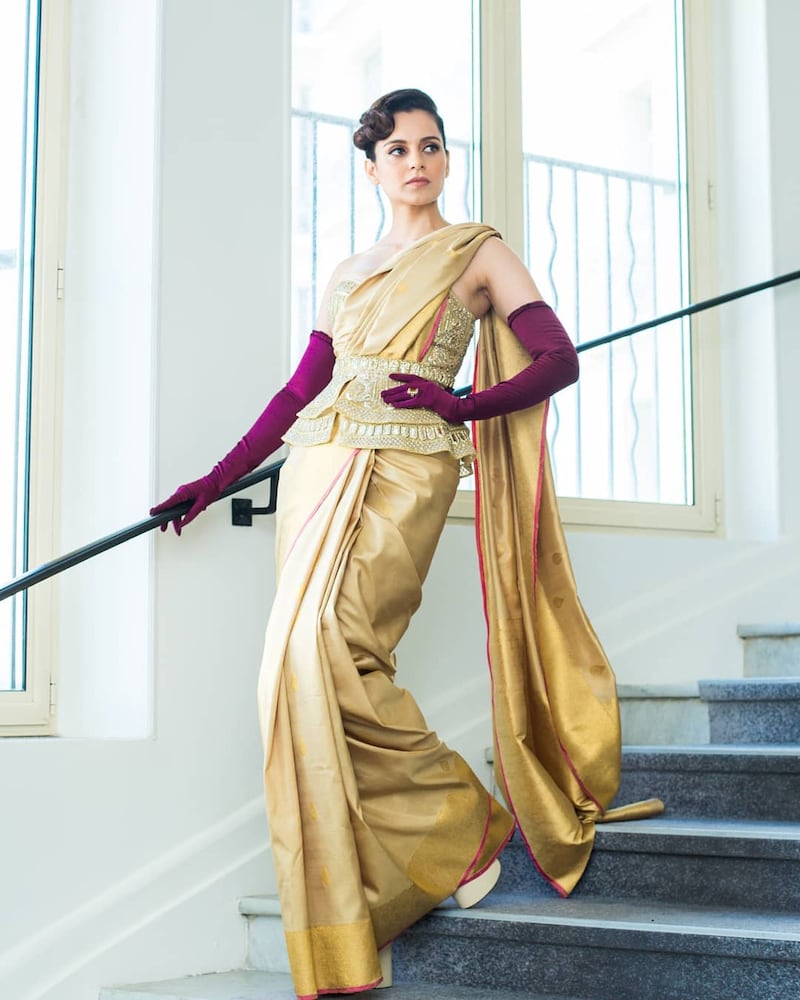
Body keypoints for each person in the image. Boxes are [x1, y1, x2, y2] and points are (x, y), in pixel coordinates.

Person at [151, 89, 662, 999]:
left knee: (341, 650)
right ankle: (456, 828)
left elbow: (559, 358)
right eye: (396, 150)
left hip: (412, 465)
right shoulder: (348, 270)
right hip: (318, 467)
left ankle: (465, 827)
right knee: (293, 668)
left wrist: (460, 404)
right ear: (372, 167)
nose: (415, 162)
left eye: (430, 147)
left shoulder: (478, 253)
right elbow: (297, 392)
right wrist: (215, 478)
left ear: (445, 160)